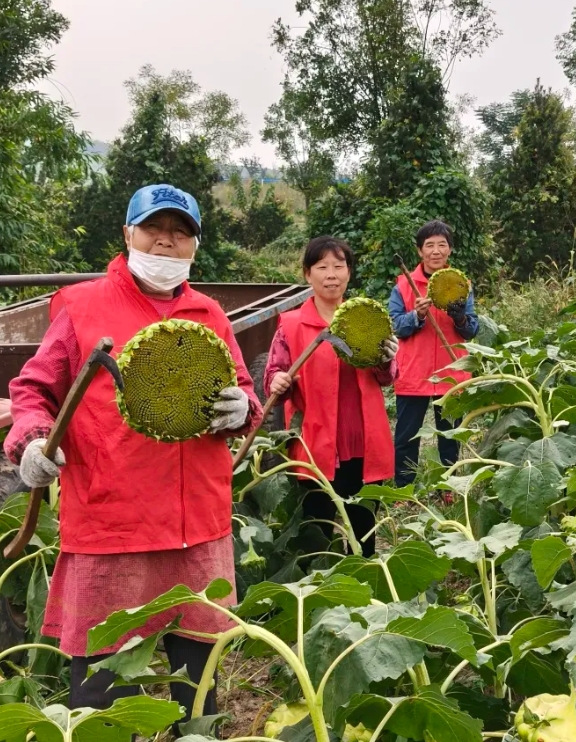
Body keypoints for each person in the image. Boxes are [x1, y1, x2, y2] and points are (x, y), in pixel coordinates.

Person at [3, 184, 263, 730]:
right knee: (100, 690)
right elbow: (34, 391)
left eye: (181, 233)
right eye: (155, 230)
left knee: (198, 687)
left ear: (195, 245)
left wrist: (243, 406)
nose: (167, 243)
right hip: (112, 524)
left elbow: (242, 389)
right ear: (128, 235)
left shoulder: (209, 312)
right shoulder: (82, 305)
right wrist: (30, 440)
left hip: (199, 527)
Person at [264, 236, 398, 558]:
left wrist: (387, 358)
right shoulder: (292, 324)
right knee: (317, 533)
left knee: (364, 531)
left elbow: (386, 378)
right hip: (315, 446)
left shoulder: (365, 319)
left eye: (339, 266)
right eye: (322, 267)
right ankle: (318, 596)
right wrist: (278, 381)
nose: (331, 274)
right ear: (308, 274)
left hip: (362, 443)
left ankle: (365, 591)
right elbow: (273, 373)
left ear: (349, 273)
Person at [389, 220, 479, 488]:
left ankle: (449, 488)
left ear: (450, 250)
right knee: (407, 436)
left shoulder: (461, 284)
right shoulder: (403, 286)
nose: (436, 251)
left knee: (450, 436)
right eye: (430, 245)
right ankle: (405, 488)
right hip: (413, 372)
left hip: (451, 372)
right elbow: (395, 326)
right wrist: (415, 315)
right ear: (420, 251)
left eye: (442, 245)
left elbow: (471, 330)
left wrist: (460, 316)